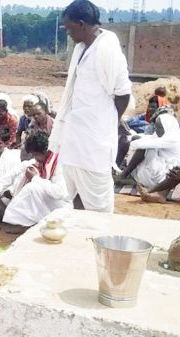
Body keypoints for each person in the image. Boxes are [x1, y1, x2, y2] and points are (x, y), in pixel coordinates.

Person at [50, 0, 132, 212]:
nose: (67, 32)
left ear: (81, 23)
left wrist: (108, 123)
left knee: (99, 205)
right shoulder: (81, 48)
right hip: (74, 139)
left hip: (95, 143)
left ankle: (97, 240)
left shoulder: (107, 47)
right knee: (75, 196)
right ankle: (78, 238)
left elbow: (123, 93)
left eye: (68, 27)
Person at [0, 132, 69, 230]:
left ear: (44, 152)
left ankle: (24, 224)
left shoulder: (59, 164)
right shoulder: (39, 162)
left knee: (32, 187)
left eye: (35, 154)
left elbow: (59, 193)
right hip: (45, 206)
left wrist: (35, 178)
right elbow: (12, 174)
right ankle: (23, 222)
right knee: (6, 197)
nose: (34, 157)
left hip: (60, 207)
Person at [119, 114, 180, 190]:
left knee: (146, 148)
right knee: (143, 146)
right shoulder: (160, 134)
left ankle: (123, 175)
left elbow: (140, 144)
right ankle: (125, 174)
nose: (157, 130)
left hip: (167, 175)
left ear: (167, 127)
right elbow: (150, 139)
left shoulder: (173, 139)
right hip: (159, 167)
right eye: (156, 127)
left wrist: (133, 141)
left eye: (160, 127)